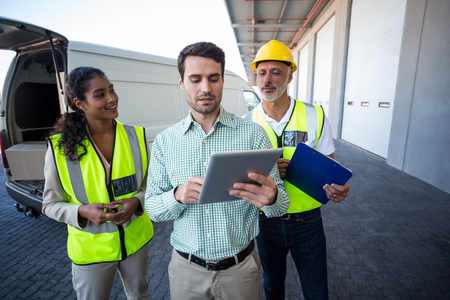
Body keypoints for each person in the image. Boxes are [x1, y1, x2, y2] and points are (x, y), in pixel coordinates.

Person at [145, 42, 290, 300]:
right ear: (181, 82)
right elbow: (153, 209)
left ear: (223, 80)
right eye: (195, 79)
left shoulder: (253, 135)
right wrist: (177, 195)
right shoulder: (165, 142)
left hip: (240, 271)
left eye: (214, 78)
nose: (205, 88)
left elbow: (281, 206)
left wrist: (272, 198)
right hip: (185, 271)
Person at [244, 40, 351, 300]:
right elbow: (242, 179)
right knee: (272, 288)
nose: (267, 80)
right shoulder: (246, 123)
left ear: (291, 74)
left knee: (316, 292)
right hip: (266, 220)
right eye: (262, 73)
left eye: (276, 72)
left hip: (308, 221)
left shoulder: (314, 115)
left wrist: (338, 187)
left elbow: (330, 167)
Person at [42, 67, 153, 300]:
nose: (112, 99)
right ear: (79, 103)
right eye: (100, 94)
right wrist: (81, 211)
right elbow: (49, 205)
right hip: (91, 251)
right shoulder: (59, 149)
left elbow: (151, 186)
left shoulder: (137, 137)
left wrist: (136, 201)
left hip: (136, 244)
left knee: (141, 296)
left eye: (111, 90)